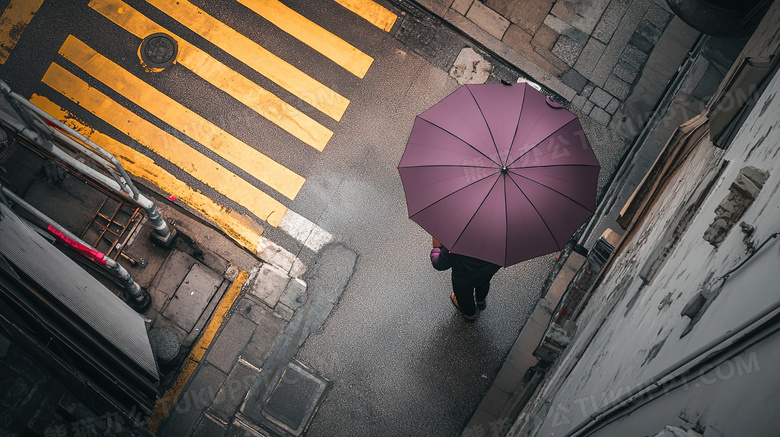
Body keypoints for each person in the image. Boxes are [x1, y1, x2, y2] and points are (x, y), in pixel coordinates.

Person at [430, 237, 501, 322]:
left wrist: (437, 248)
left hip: (463, 279)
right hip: (487, 272)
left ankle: (469, 315)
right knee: (483, 284)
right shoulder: (502, 241)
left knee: (463, 295)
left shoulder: (455, 244)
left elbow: (439, 265)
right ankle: (481, 302)